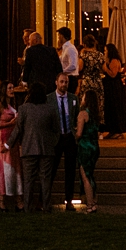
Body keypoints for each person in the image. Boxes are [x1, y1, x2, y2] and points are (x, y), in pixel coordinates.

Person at [12, 82, 59, 212]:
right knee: (45, 180)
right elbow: (56, 130)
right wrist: (52, 143)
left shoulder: (24, 109)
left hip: (28, 148)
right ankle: (46, 206)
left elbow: (18, 129)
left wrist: (8, 144)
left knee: (28, 180)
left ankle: (27, 207)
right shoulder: (50, 109)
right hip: (47, 149)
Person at [52, 73, 82, 208]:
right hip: (56, 138)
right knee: (51, 169)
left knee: (70, 169)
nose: (64, 84)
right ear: (56, 83)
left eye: (66, 82)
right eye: (62, 82)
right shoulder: (49, 99)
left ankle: (69, 200)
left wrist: (76, 132)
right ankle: (44, 199)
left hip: (69, 136)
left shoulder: (73, 98)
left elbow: (77, 116)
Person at [0, 89, 22, 210]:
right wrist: (10, 123)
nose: (12, 90)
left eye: (12, 87)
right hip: (3, 138)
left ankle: (17, 199)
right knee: (5, 167)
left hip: (12, 139)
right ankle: (1, 199)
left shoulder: (11, 105)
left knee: (15, 166)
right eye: (9, 88)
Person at [75, 90, 102, 212]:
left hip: (85, 146)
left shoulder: (82, 114)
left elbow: (79, 133)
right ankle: (94, 200)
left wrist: (74, 134)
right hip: (95, 146)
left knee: (85, 175)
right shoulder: (95, 115)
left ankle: (90, 203)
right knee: (91, 174)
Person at [78, 33, 106, 121]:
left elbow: (80, 67)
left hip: (87, 80)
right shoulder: (100, 55)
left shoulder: (84, 55)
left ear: (84, 44)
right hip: (97, 80)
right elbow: (104, 69)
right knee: (98, 102)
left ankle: (86, 121)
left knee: (86, 102)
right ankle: (98, 123)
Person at [102, 43, 126, 137]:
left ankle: (117, 130)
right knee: (110, 108)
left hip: (114, 87)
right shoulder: (110, 60)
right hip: (110, 86)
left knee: (115, 107)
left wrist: (105, 69)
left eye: (105, 50)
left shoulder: (113, 61)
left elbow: (113, 74)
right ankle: (112, 130)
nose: (104, 52)